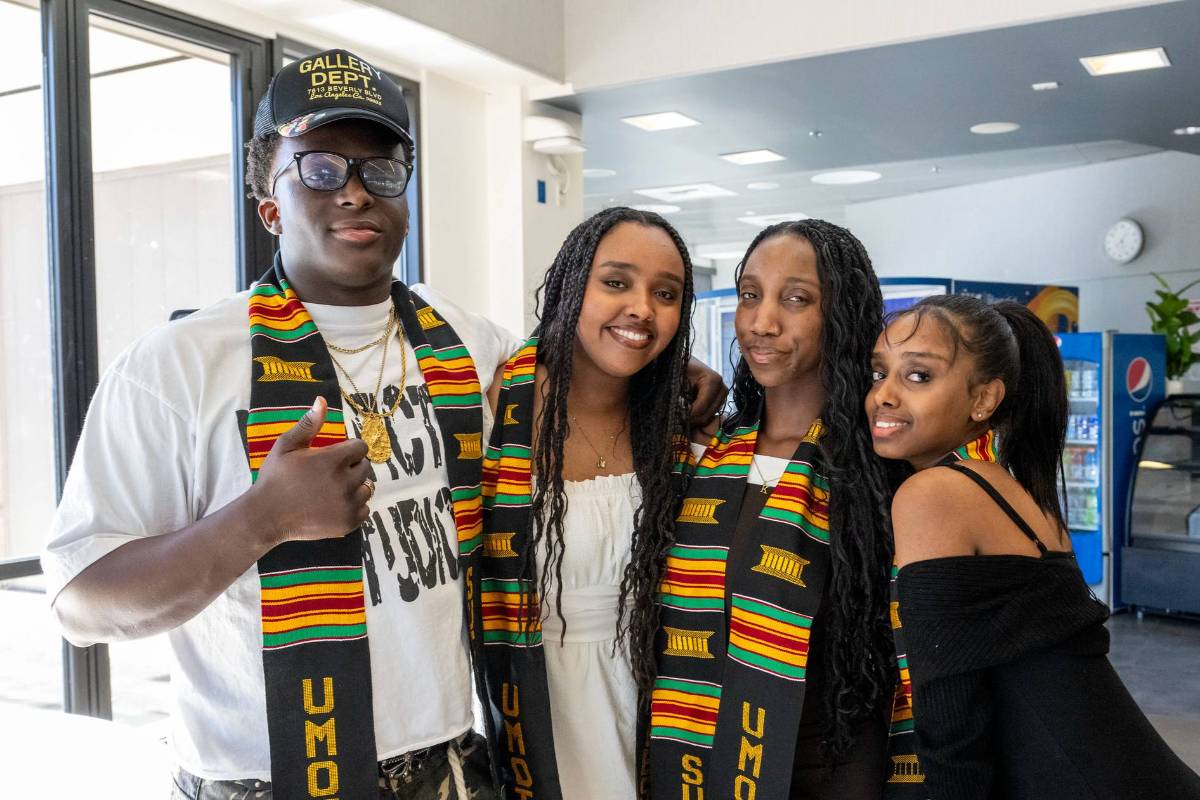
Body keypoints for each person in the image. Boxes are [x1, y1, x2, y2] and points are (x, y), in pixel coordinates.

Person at [867, 294, 1200, 800]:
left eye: (918, 376)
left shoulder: (933, 493)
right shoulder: (1008, 484)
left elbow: (951, 710)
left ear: (984, 399)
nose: (884, 395)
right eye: (878, 373)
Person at [648, 220, 896, 800]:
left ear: (842, 314)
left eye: (796, 299)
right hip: (695, 759)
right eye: (750, 294)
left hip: (831, 766)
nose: (762, 322)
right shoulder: (704, 455)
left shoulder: (876, 471)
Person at [478, 206, 697, 799]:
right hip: (528, 700)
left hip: (655, 703)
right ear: (572, 284)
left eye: (666, 294)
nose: (643, 308)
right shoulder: (495, 403)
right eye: (616, 282)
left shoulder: (677, 429)